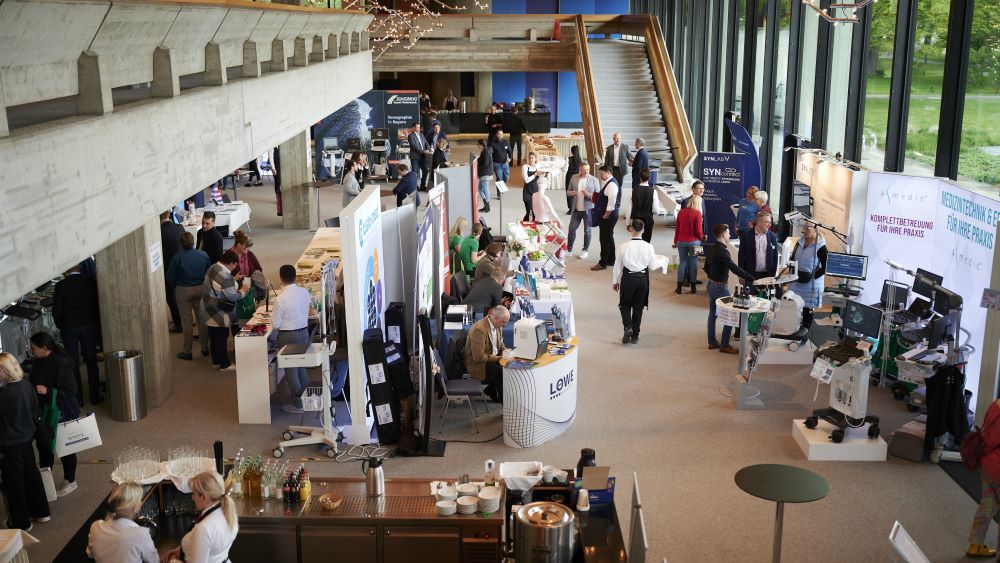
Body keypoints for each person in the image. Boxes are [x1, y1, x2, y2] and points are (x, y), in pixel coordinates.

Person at [0, 352, 51, 532]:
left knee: (13, 481)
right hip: (27, 437)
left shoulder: (5, 394)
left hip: (10, 443)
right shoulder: (26, 384)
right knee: (31, 473)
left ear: (5, 371)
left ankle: (20, 522)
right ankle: (41, 511)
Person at [29, 331, 81, 498]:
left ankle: (71, 480)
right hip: (43, 412)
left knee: (64, 448)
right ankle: (46, 483)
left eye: (33, 348)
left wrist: (48, 391)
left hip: (60, 413)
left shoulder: (61, 363)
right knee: (44, 448)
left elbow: (71, 391)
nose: (31, 351)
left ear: (44, 348)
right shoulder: (39, 361)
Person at [52, 264, 102, 406]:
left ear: (67, 269)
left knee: (72, 362)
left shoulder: (61, 286)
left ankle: (78, 398)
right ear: (80, 268)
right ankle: (95, 396)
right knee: (91, 360)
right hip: (89, 326)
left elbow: (57, 311)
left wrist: (61, 325)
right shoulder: (91, 283)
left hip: (69, 328)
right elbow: (97, 305)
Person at [160, 471, 238, 563]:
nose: (192, 498)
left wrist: (173, 561)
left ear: (203, 498)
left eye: (194, 493)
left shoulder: (203, 528)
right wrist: (181, 551)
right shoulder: (228, 513)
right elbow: (211, 549)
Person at [271, 265, 314, 414]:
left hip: (288, 336)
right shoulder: (304, 292)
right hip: (304, 333)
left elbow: (275, 324)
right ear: (295, 277)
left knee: (291, 371)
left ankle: (298, 405)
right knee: (301, 366)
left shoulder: (280, 299)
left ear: (281, 279)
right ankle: (307, 399)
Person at [704, 224, 752, 354]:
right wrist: (750, 278)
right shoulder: (723, 252)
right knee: (732, 314)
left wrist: (713, 276)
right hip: (720, 287)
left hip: (711, 285)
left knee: (713, 313)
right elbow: (734, 268)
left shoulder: (712, 248)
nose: (730, 235)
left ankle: (712, 342)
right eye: (728, 233)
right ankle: (724, 345)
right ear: (723, 234)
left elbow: (706, 267)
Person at [200, 251, 249, 371]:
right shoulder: (226, 276)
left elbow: (219, 283)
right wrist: (243, 291)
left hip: (207, 308)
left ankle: (216, 361)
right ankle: (225, 364)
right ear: (231, 263)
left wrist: (233, 279)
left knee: (214, 336)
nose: (235, 267)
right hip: (218, 311)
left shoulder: (213, 267)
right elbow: (232, 296)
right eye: (235, 264)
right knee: (221, 337)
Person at [612, 220, 658, 345]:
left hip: (628, 278)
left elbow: (617, 266)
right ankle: (635, 335)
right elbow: (653, 266)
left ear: (630, 229)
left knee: (624, 304)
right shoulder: (649, 247)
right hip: (642, 280)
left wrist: (615, 281)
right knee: (638, 308)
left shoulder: (623, 246)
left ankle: (628, 326)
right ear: (643, 230)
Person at [86, 481, 157, 562]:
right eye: (139, 500)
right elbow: (153, 561)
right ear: (135, 507)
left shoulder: (95, 527)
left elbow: (90, 553)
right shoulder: (141, 534)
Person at [167, 232, 212, 361]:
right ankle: (205, 347)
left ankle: (187, 351)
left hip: (184, 290)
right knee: (201, 319)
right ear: (193, 242)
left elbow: (170, 277)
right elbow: (209, 271)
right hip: (200, 288)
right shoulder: (203, 255)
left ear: (181, 244)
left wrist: (178, 284)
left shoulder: (177, 258)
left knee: (186, 322)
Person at [465, 305, 510, 403]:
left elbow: (500, 344)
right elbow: (478, 357)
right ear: (495, 318)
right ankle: (505, 405)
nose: (505, 325)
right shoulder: (479, 329)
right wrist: (498, 358)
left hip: (491, 357)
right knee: (500, 372)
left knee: (508, 368)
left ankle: (490, 390)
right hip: (478, 363)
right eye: (503, 322)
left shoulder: (498, 325)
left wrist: (506, 351)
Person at [787, 224, 827, 331]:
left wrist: (812, 277)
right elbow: (792, 258)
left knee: (807, 308)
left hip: (811, 283)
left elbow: (825, 268)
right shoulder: (799, 242)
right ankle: (792, 329)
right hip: (796, 280)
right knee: (792, 305)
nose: (804, 230)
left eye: (807, 228)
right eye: (804, 228)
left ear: (815, 230)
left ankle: (805, 331)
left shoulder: (821, 247)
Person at [566, 162, 599, 259]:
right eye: (584, 170)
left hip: (588, 210)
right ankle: (569, 249)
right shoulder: (574, 177)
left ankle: (585, 251)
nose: (586, 171)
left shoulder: (594, 180)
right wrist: (571, 193)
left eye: (588, 169)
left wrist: (588, 194)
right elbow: (568, 191)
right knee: (571, 229)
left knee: (587, 231)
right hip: (576, 209)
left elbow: (597, 197)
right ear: (580, 170)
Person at [160, 210, 186, 333]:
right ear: (169, 215)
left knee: (171, 296)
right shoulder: (179, 227)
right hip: (182, 266)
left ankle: (178, 323)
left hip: (167, 268)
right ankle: (186, 319)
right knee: (182, 294)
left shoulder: (158, 232)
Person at [673, 195, 704, 294]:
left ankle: (679, 287)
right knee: (694, 262)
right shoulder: (698, 213)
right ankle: (693, 287)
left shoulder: (681, 212)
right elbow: (699, 231)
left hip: (681, 241)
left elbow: (677, 228)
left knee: (682, 262)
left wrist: (675, 241)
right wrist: (702, 238)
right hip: (695, 242)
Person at [591, 165, 620, 271]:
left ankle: (603, 263)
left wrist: (606, 215)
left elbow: (612, 202)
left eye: (602, 173)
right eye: (599, 173)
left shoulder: (611, 184)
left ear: (608, 173)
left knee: (604, 239)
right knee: (609, 237)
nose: (600, 175)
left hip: (609, 216)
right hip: (608, 215)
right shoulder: (608, 182)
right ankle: (611, 260)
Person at [738, 212, 778, 283]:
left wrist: (773, 275)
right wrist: (741, 275)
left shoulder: (772, 236)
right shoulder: (746, 236)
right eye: (767, 222)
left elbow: (775, 257)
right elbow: (741, 256)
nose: (770, 225)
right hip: (750, 275)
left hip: (768, 275)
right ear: (759, 222)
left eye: (770, 222)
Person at [629, 168, 655, 244]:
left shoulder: (633, 190)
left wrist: (628, 222)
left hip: (636, 218)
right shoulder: (653, 191)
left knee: (636, 241)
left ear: (640, 177)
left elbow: (629, 207)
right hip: (648, 218)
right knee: (646, 241)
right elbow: (656, 210)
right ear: (649, 178)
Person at [407, 122, 431, 190]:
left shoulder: (421, 135)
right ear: (413, 128)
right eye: (417, 127)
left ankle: (422, 185)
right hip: (415, 157)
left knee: (425, 171)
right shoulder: (411, 136)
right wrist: (424, 151)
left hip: (422, 157)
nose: (419, 128)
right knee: (415, 173)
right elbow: (414, 146)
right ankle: (414, 187)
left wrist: (430, 148)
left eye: (419, 127)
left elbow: (426, 143)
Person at [521, 152, 543, 222]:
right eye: (529, 158)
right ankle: (524, 225)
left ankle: (524, 224)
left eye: (532, 158)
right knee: (529, 212)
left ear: (535, 159)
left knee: (534, 212)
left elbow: (541, 178)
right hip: (527, 191)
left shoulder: (537, 167)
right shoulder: (525, 167)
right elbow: (527, 180)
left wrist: (544, 174)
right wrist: (535, 174)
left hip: (535, 191)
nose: (530, 160)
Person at [476, 139, 494, 213]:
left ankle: (487, 205)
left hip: (486, 174)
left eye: (478, 144)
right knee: (480, 189)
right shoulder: (483, 151)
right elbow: (481, 160)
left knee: (485, 189)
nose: (477, 146)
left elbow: (485, 164)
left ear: (481, 145)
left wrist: (477, 168)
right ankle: (486, 204)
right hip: (484, 173)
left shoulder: (486, 152)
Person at [565, 145, 581, 213]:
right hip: (577, 176)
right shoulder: (580, 160)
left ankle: (571, 209)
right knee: (576, 192)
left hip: (569, 176)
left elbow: (564, 169)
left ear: (572, 152)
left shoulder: (568, 159)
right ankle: (576, 207)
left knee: (569, 191)